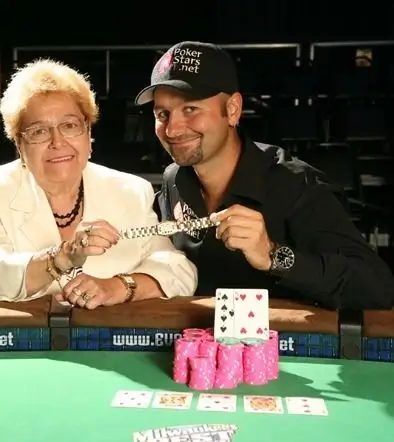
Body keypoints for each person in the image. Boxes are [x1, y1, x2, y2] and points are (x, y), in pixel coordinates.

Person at [134, 40, 394, 310]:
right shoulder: (173, 179)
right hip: (190, 346)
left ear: (232, 110)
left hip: (280, 349)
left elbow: (377, 288)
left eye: (191, 109)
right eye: (162, 114)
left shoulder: (297, 186)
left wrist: (273, 255)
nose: (173, 130)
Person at [0, 59, 197, 308]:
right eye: (38, 131)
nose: (57, 142)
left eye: (69, 126)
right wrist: (61, 258)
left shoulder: (130, 191)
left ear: (88, 134)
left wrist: (119, 287)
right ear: (19, 145)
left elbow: (179, 272)